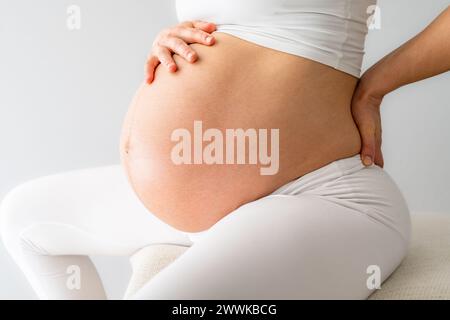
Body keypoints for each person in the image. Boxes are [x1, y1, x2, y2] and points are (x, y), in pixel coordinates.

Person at [0, 1, 448, 299]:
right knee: (25, 216)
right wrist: (172, 38)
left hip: (319, 196)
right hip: (221, 205)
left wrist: (375, 86)